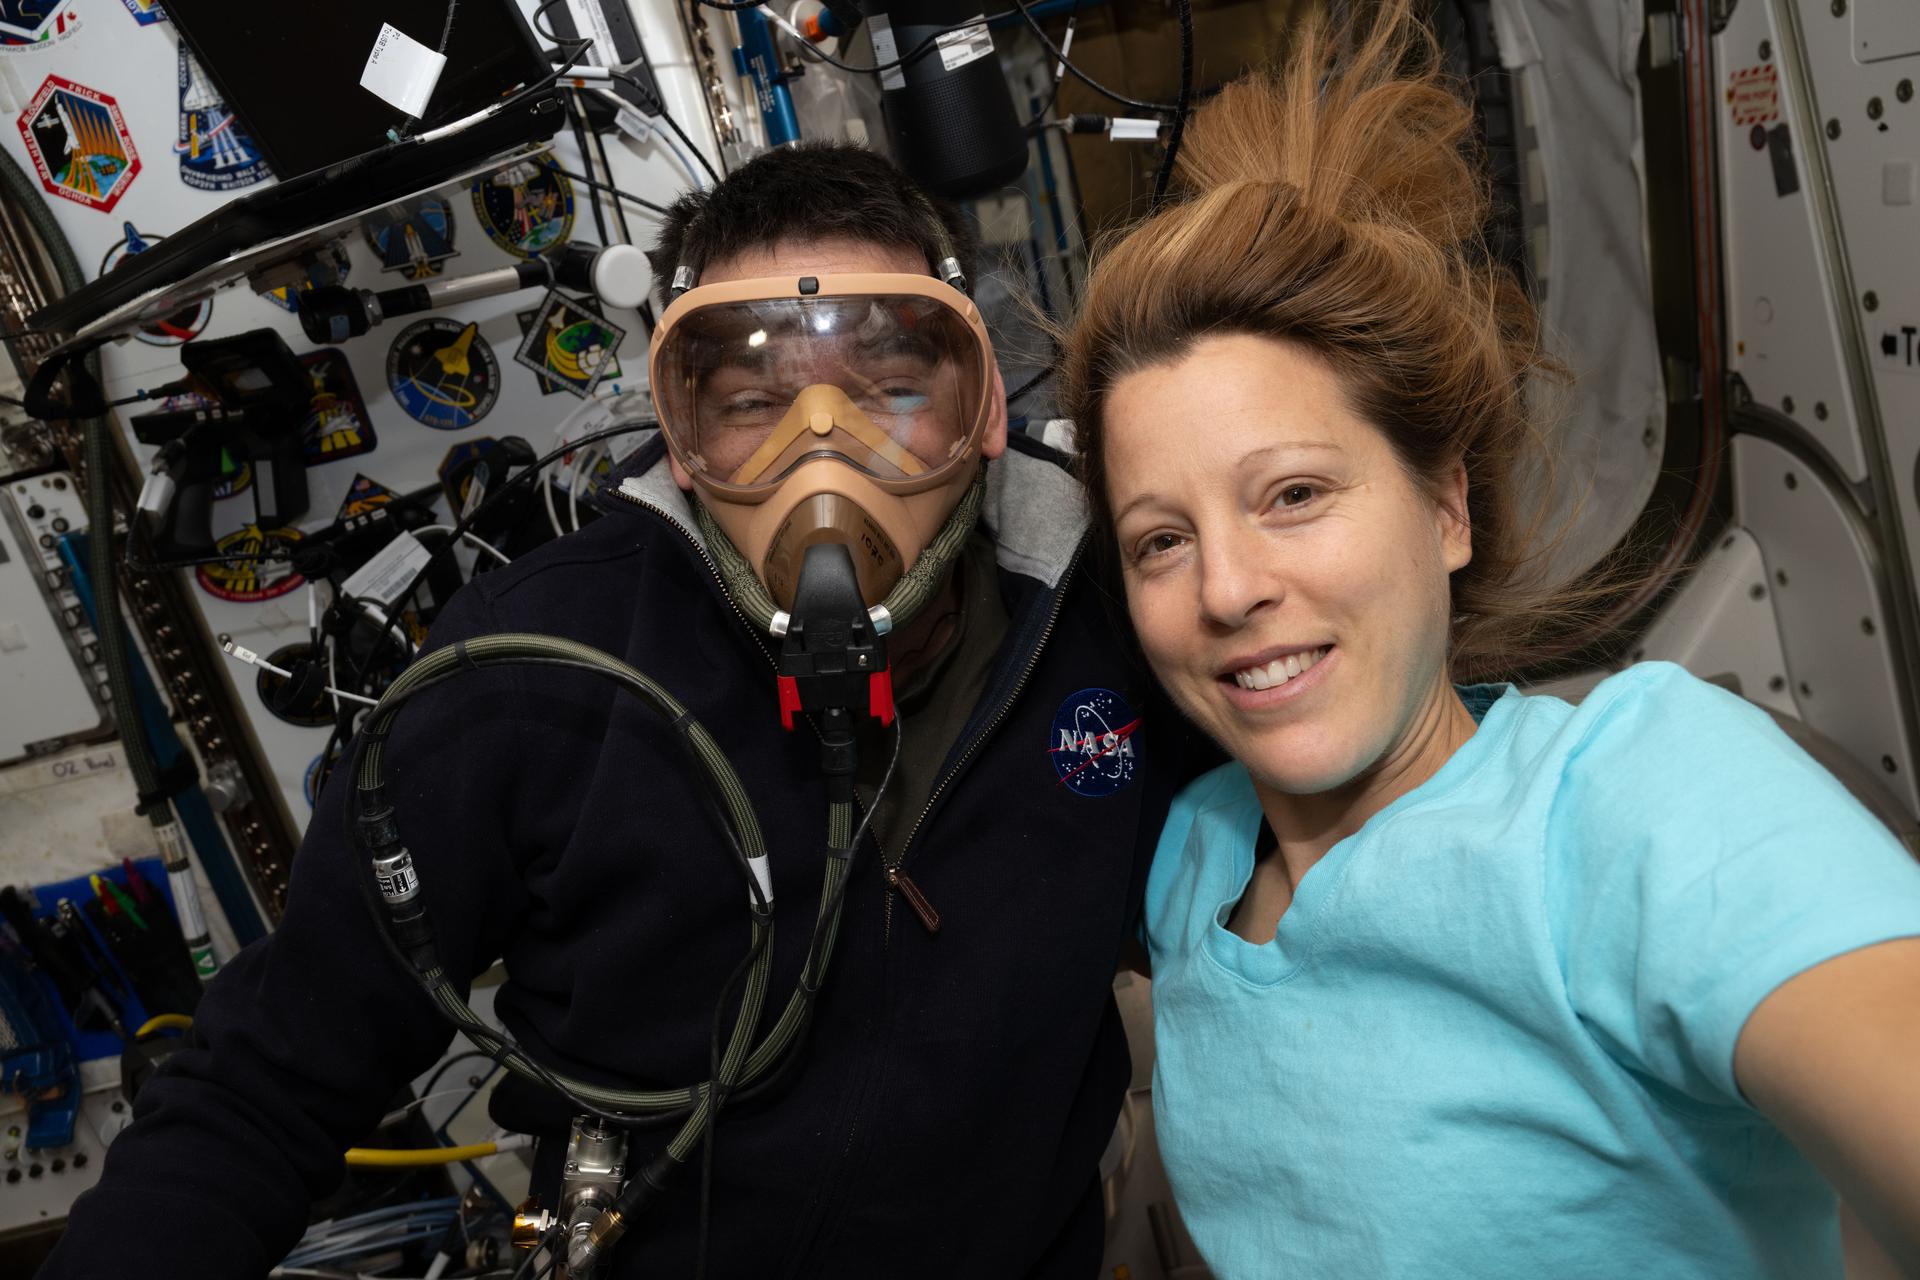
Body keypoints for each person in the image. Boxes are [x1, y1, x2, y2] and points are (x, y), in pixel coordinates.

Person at [43, 143, 1199, 1278]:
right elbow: (269, 1077)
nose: (825, 455)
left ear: (986, 410)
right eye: (754, 405)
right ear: (683, 444)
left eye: (895, 388)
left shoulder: (1123, 614)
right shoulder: (533, 671)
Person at [1058, 2, 1920, 1276]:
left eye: (1293, 493)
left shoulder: (1633, 798)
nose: (1227, 588)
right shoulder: (1193, 859)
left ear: (1448, 506)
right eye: (1160, 540)